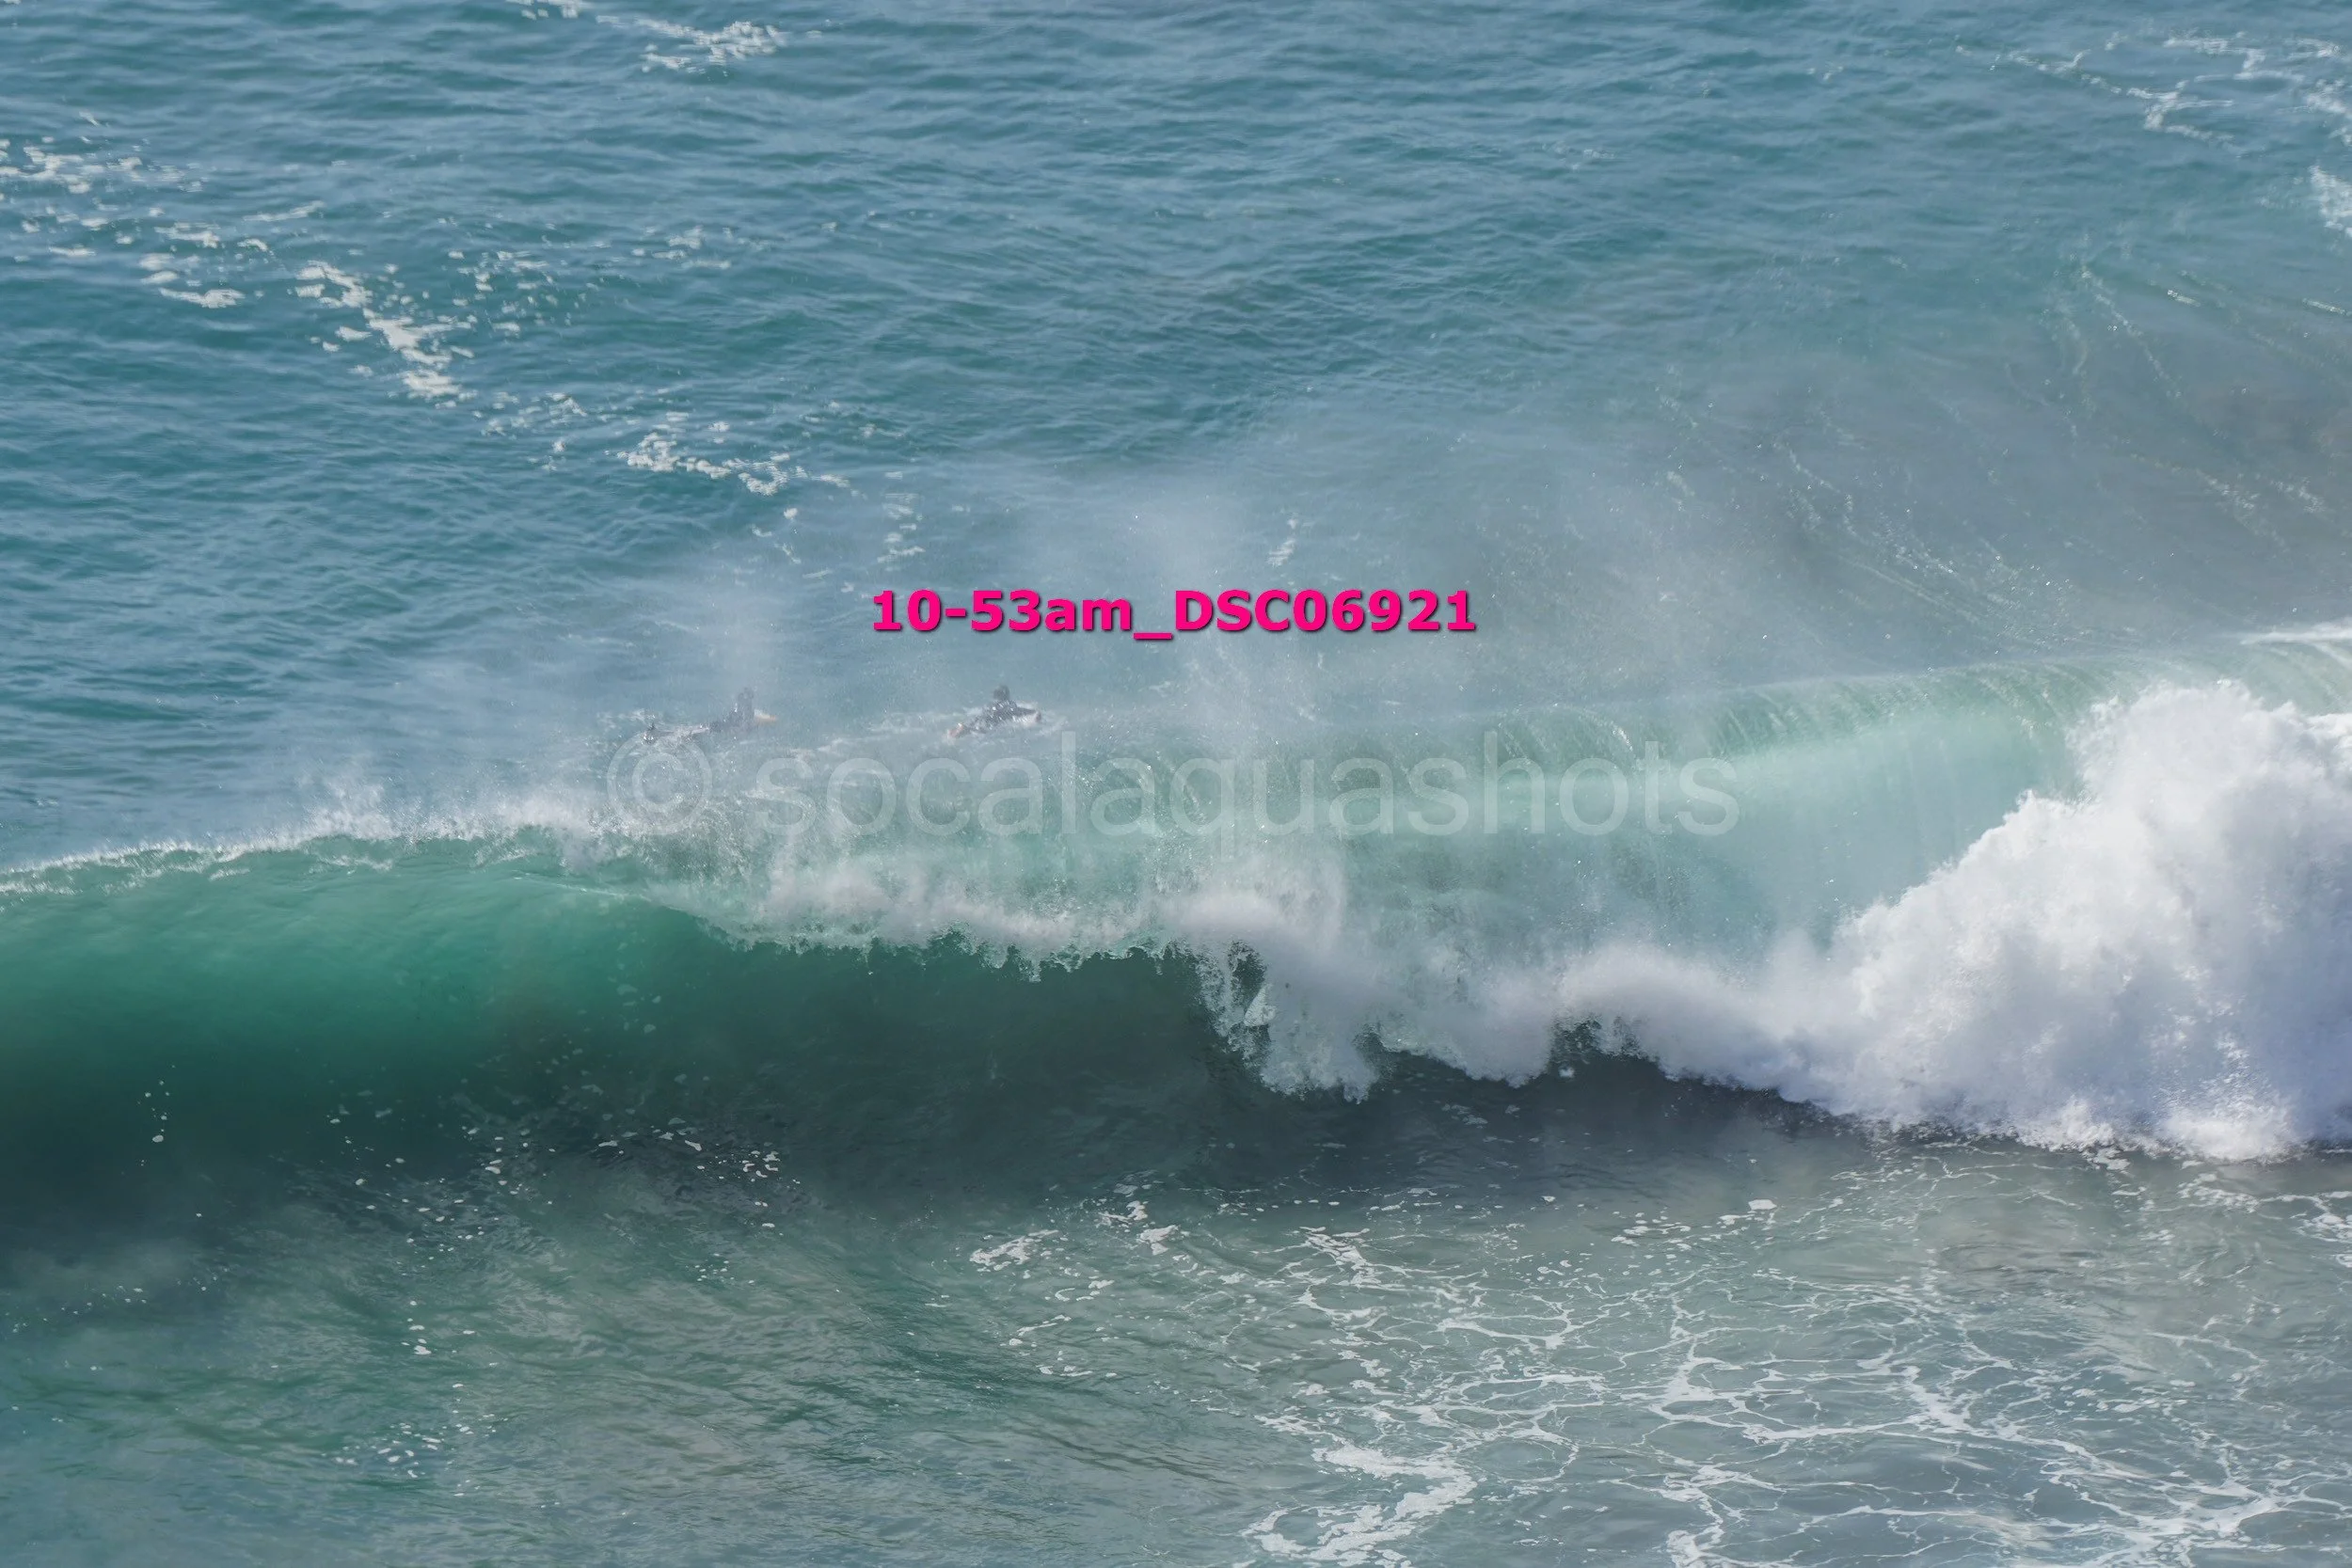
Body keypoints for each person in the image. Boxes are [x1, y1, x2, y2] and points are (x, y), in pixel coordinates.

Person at [946, 685, 1039, 740]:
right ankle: (965, 729)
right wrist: (1034, 713)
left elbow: (980, 716)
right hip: (996, 717)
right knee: (983, 731)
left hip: (984, 716)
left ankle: (958, 729)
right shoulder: (1008, 703)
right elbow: (1017, 711)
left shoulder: (990, 705)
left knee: (975, 725)